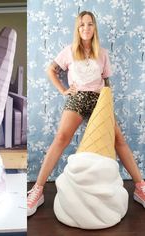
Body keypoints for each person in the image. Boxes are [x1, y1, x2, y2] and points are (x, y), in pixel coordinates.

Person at [27, 11, 145, 217]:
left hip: (100, 100)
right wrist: (64, 90)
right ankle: (37, 190)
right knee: (61, 138)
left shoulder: (103, 53)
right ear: (77, 28)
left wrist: (107, 102)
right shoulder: (69, 51)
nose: (86, 28)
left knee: (119, 140)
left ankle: (140, 187)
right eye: (82, 25)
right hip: (78, 98)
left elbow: (106, 82)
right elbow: (51, 70)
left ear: (94, 28)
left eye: (90, 24)